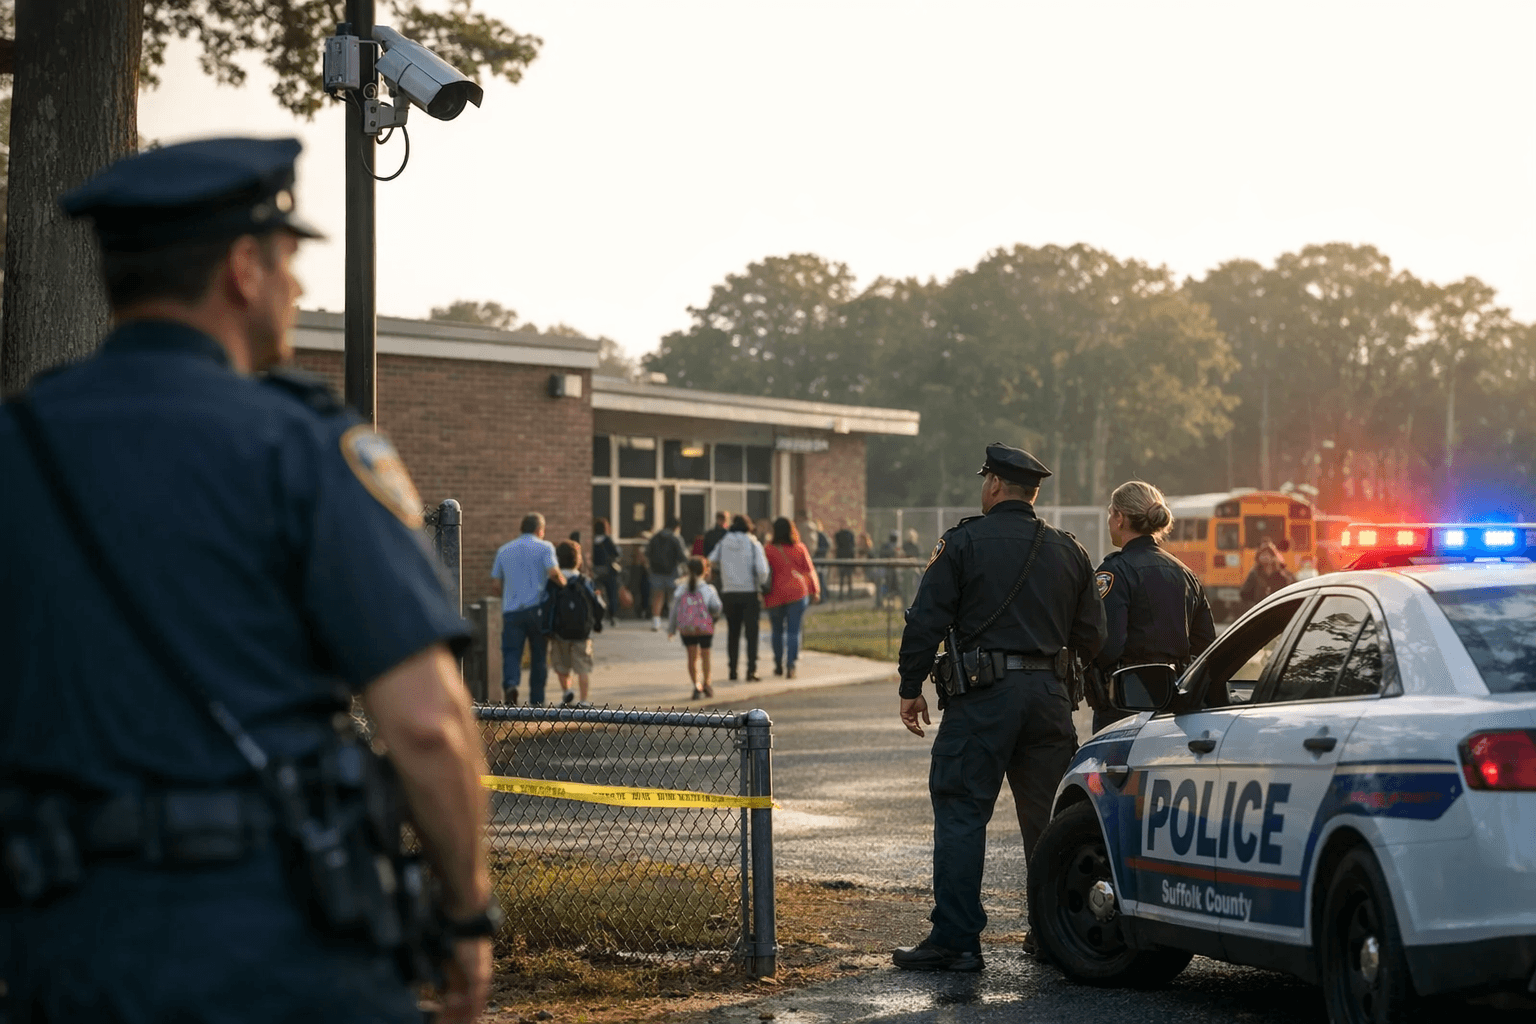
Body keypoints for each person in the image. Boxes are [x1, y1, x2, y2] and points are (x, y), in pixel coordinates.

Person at [0, 137, 494, 1023]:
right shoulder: (302, 446)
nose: (299, 290)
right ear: (242, 268)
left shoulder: (18, 446)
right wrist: (465, 914)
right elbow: (425, 724)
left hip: (65, 943)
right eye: (289, 262)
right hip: (279, 942)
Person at [892, 443, 1105, 973]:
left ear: (992, 485)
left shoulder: (962, 542)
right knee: (1048, 821)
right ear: (1032, 493)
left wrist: (910, 683)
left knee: (963, 811)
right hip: (1050, 701)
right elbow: (1093, 635)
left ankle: (957, 940)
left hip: (982, 700)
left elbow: (926, 619)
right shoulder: (1069, 549)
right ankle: (1054, 935)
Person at [1090, 481, 1216, 734]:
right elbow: (1206, 646)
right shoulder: (1186, 574)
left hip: (1124, 704)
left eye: (1110, 513)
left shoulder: (1114, 572)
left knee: (1112, 771)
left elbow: (1107, 644)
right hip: (1175, 703)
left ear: (1120, 518)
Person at [491, 512, 565, 706]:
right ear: (540, 530)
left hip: (512, 612)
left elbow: (496, 585)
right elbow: (553, 573)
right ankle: (537, 702)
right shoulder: (545, 547)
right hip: (538, 611)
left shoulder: (504, 550)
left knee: (511, 653)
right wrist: (565, 586)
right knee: (539, 656)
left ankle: (511, 686)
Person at [708, 514, 771, 682]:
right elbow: (762, 569)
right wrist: (761, 583)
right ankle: (751, 670)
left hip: (729, 592)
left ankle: (733, 670)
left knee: (733, 633)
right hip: (749, 592)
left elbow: (711, 560)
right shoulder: (753, 543)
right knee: (751, 634)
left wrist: (726, 571)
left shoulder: (723, 542)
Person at [548, 540, 605, 707]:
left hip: (560, 632)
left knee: (561, 665)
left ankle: (567, 692)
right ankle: (584, 700)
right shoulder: (584, 581)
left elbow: (548, 604)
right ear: (577, 560)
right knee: (583, 667)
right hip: (582, 632)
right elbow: (597, 604)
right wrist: (597, 623)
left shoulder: (554, 581)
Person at [763, 517, 821, 678]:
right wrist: (815, 590)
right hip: (797, 591)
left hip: (775, 593)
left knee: (777, 630)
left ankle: (777, 663)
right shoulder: (799, 548)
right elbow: (810, 570)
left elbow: (763, 572)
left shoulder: (768, 549)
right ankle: (791, 665)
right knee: (794, 631)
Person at [668, 557, 723, 699]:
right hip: (704, 627)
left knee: (691, 658)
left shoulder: (681, 589)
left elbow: (674, 611)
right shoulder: (708, 589)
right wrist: (713, 618)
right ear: (706, 571)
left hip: (687, 628)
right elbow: (716, 606)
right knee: (706, 656)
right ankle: (707, 684)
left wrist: (671, 629)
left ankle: (696, 686)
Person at [646, 517, 690, 631]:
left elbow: (647, 553)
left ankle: (656, 621)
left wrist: (649, 568)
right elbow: (682, 556)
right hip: (672, 571)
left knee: (657, 596)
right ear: (676, 527)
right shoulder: (676, 538)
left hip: (656, 571)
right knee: (674, 597)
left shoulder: (655, 537)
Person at [1239, 540, 1296, 613]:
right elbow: (1244, 594)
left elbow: (1291, 591)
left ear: (1273, 556)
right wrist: (1254, 607)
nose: (1265, 557)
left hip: (1279, 610)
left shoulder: (1282, 574)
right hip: (1259, 611)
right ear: (1258, 557)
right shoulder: (1255, 574)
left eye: (1267, 554)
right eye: (1262, 554)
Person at [590, 517, 622, 627]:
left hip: (596, 571)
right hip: (608, 571)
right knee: (612, 594)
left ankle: (597, 616)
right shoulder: (607, 540)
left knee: (596, 594)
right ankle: (612, 617)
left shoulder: (592, 541)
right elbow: (615, 554)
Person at [833, 520, 857, 599]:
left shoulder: (847, 534)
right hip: (844, 558)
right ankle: (843, 595)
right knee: (842, 578)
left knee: (847, 577)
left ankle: (849, 594)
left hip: (846, 558)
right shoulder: (839, 535)